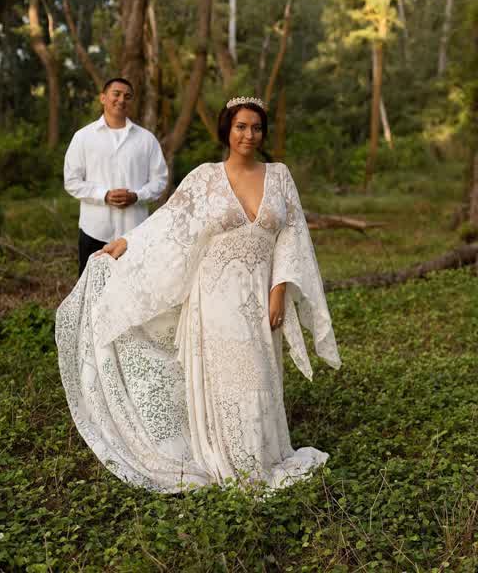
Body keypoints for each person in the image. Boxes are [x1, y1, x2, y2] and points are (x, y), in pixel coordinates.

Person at [55, 96, 341, 493]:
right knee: (229, 374)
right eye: (241, 127)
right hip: (215, 294)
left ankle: (261, 454)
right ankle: (229, 457)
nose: (249, 135)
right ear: (227, 130)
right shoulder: (205, 177)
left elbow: (292, 237)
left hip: (260, 291)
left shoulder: (279, 176)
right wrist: (125, 242)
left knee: (260, 372)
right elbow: (169, 222)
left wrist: (279, 290)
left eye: (256, 128)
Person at [63, 77, 168, 275]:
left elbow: (160, 180)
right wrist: (104, 195)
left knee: (135, 287)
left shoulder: (146, 139)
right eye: (116, 94)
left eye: (127, 96)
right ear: (103, 98)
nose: (121, 100)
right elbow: (72, 181)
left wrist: (137, 196)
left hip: (135, 232)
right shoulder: (83, 137)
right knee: (92, 288)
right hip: (94, 230)